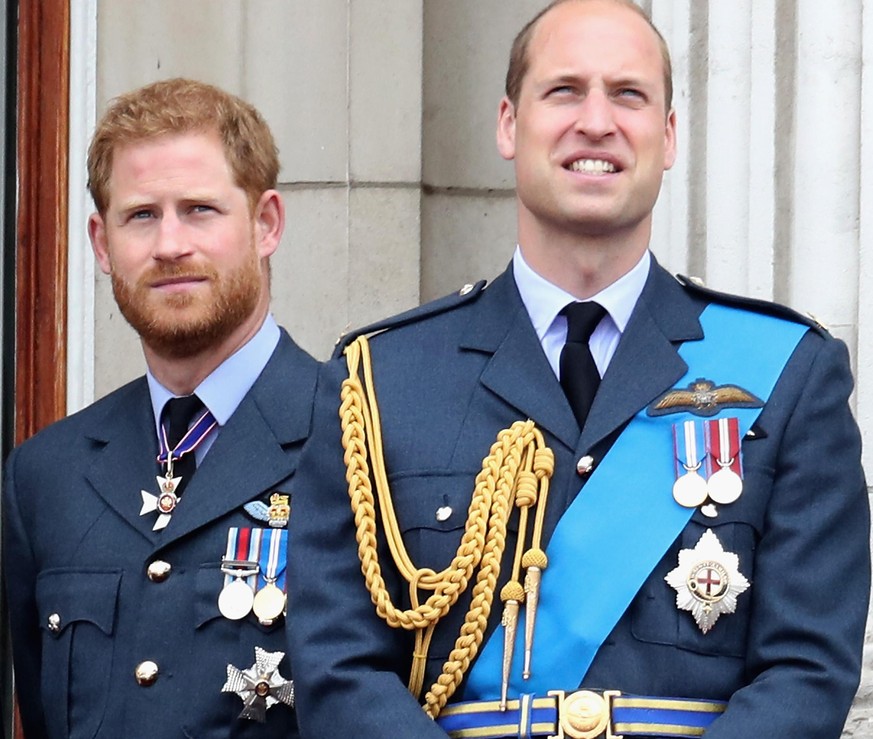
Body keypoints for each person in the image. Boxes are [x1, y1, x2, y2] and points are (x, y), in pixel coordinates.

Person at [288, 1, 870, 738]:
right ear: (508, 123)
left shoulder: (789, 373)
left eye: (627, 94)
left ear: (667, 137)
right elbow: (337, 670)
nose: (595, 121)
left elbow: (806, 671)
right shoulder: (378, 382)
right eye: (563, 90)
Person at [3, 78, 317, 738]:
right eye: (141, 215)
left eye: (200, 209)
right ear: (100, 240)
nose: (170, 244)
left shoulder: (355, 439)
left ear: (266, 224)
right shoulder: (44, 477)